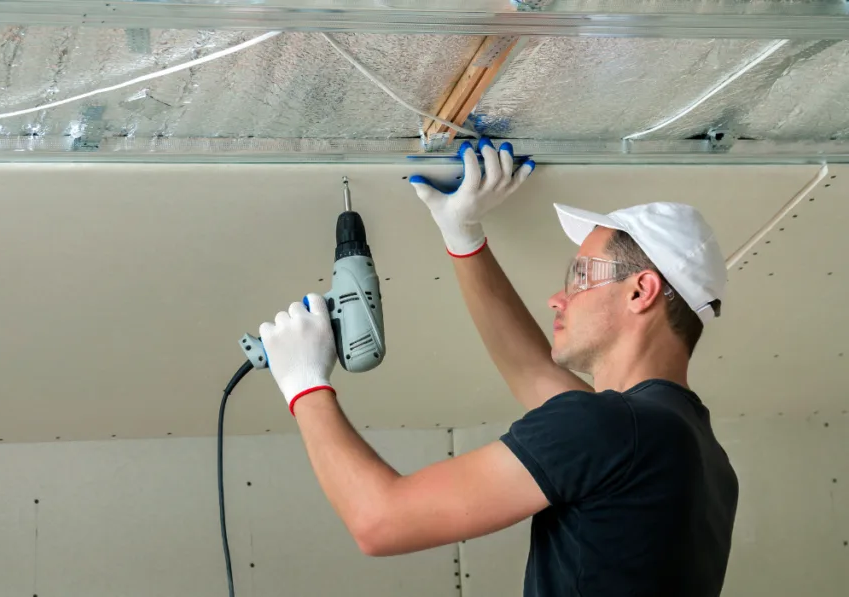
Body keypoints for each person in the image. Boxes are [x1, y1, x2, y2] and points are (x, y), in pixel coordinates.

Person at [256, 137, 739, 597]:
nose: (558, 297)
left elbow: (380, 521)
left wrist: (304, 384)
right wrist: (462, 235)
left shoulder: (613, 429)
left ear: (641, 291)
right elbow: (532, 372)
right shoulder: (693, 448)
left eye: (580, 276)